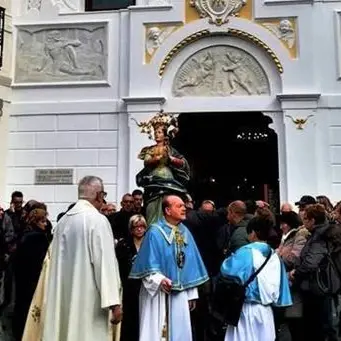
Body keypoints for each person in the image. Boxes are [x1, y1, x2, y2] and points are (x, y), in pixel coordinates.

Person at [39, 176, 122, 341]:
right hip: (89, 301)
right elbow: (104, 263)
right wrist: (114, 302)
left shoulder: (63, 221)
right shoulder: (97, 220)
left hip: (62, 296)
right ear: (99, 195)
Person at [129, 195, 208, 341]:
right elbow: (147, 264)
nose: (184, 208)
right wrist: (159, 280)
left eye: (184, 205)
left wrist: (191, 293)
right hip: (158, 293)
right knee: (157, 331)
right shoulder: (154, 232)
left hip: (181, 293)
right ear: (168, 210)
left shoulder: (185, 232)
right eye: (179, 206)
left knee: (180, 331)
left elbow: (190, 265)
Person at [221, 216, 292, 341]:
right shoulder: (275, 256)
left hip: (246, 309)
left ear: (253, 233)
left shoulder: (246, 252)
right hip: (267, 310)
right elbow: (282, 287)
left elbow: (227, 270)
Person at [135, 111, 190, 224]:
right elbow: (147, 162)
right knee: (152, 208)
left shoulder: (171, 150)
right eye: (155, 132)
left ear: (165, 134)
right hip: (154, 181)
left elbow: (183, 163)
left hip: (169, 181)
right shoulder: (150, 149)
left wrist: (170, 159)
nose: (156, 134)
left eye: (159, 132)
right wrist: (157, 158)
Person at [13, 208, 50, 341]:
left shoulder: (25, 235)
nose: (45, 224)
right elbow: (40, 261)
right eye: (43, 221)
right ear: (36, 221)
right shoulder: (38, 237)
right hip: (33, 280)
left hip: (22, 280)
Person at [116, 214, 147, 341]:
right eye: (136, 227)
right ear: (131, 228)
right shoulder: (124, 244)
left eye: (142, 226)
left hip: (146, 286)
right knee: (129, 320)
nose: (139, 229)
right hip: (128, 287)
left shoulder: (150, 243)